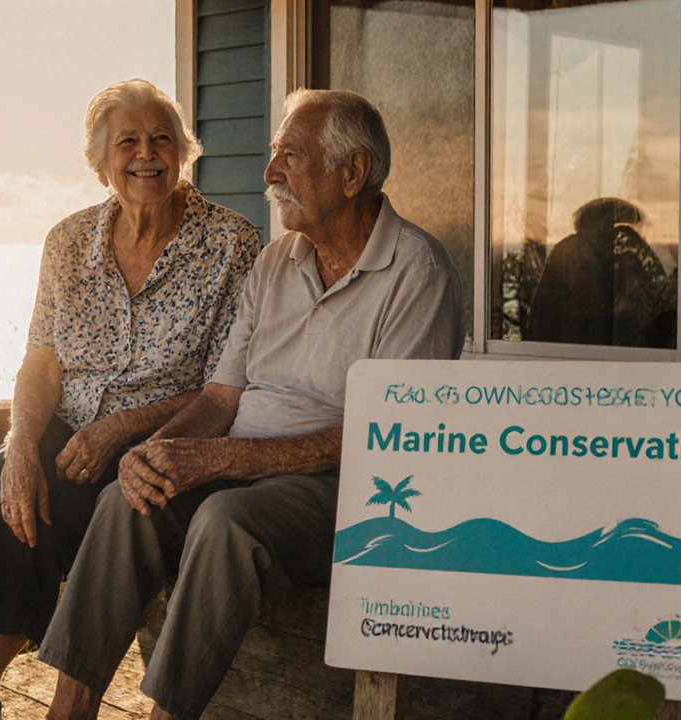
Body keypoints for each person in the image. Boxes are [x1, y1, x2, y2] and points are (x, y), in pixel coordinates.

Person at [37, 89, 464, 720]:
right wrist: (157, 453)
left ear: (353, 172)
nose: (269, 174)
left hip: (343, 488)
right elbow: (220, 395)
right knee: (128, 499)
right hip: (239, 467)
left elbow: (388, 436)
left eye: (290, 156)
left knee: (225, 522)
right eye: (273, 155)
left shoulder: (417, 273)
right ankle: (67, 711)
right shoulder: (274, 263)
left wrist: (222, 461)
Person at [0, 79, 260, 720]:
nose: (146, 154)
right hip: (70, 437)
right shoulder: (67, 241)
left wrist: (121, 426)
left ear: (183, 152)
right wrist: (20, 449)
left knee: (26, 506)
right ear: (101, 163)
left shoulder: (232, 244)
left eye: (161, 140)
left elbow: (220, 386)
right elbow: (40, 363)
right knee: (13, 486)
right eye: (128, 142)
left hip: (165, 449)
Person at [524, 197, 673, 347]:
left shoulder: (600, 253)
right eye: (617, 227)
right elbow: (585, 314)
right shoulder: (575, 252)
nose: (624, 236)